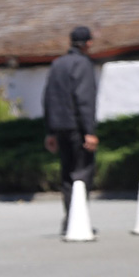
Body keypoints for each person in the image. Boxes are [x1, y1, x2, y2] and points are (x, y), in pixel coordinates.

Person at [42, 25, 98, 234]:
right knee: (82, 173)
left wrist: (50, 131)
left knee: (66, 174)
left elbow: (47, 99)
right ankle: (79, 220)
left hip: (59, 127)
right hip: (77, 128)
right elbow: (85, 100)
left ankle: (69, 220)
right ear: (88, 43)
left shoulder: (57, 64)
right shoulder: (83, 64)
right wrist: (90, 131)